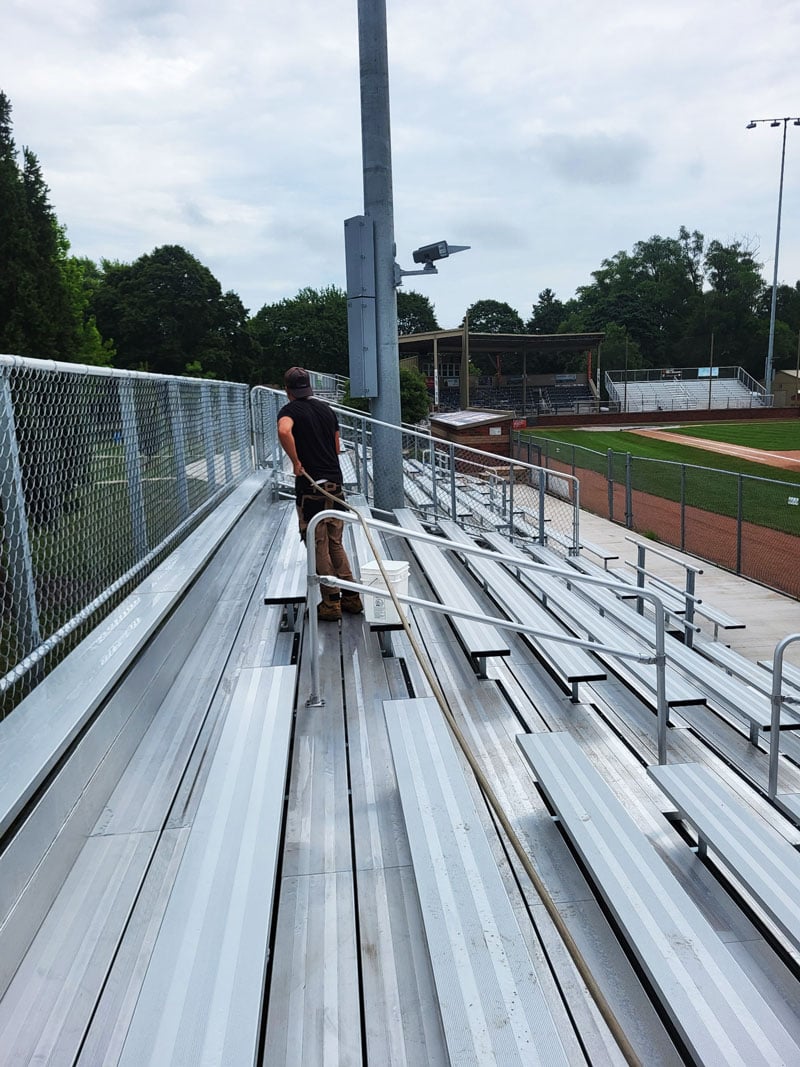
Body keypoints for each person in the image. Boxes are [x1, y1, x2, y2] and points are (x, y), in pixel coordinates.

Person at [277, 367, 363, 622]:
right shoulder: (327, 410)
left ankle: (330, 601)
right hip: (335, 485)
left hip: (310, 489)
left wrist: (295, 461)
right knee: (336, 543)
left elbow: (284, 431)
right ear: (309, 388)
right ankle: (351, 597)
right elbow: (337, 446)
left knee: (318, 545)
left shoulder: (289, 411)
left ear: (288, 390)